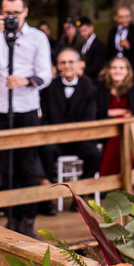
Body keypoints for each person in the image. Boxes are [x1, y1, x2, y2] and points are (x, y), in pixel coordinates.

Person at [0, 0, 52, 237]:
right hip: (1, 109)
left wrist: (25, 81)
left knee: (27, 166)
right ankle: (11, 217)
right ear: (1, 12)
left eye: (16, 12)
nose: (12, 17)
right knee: (5, 165)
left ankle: (28, 218)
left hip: (27, 109)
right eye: (7, 12)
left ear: (25, 12)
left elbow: (45, 75)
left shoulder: (38, 37)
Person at [38, 48, 103, 206]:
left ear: (79, 65)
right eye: (63, 62)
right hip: (56, 140)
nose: (67, 65)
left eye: (70, 62)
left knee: (94, 155)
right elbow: (44, 118)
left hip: (80, 140)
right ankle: (47, 199)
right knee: (45, 151)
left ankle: (80, 196)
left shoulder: (90, 89)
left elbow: (89, 119)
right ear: (58, 66)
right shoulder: (49, 88)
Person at [97, 57, 134, 176]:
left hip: (132, 130)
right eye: (114, 68)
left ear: (128, 71)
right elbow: (100, 113)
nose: (118, 71)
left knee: (123, 131)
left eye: (121, 68)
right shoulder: (100, 89)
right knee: (119, 130)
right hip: (107, 131)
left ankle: (109, 173)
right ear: (108, 70)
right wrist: (122, 113)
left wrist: (113, 112)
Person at [107, 6, 134, 82]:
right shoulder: (112, 32)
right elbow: (109, 51)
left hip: (131, 69)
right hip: (115, 69)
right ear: (116, 18)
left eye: (127, 16)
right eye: (121, 17)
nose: (124, 20)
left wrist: (128, 46)